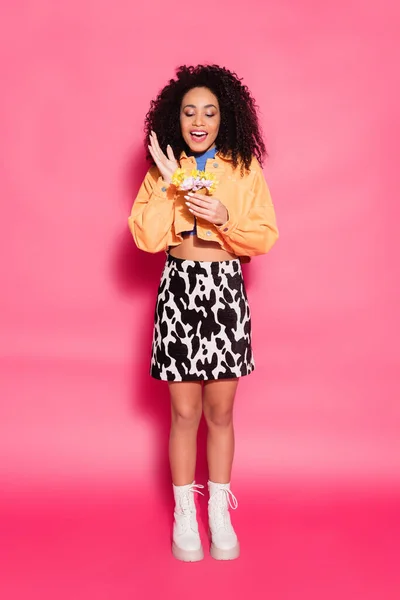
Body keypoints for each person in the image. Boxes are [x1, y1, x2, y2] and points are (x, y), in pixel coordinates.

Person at [128, 64, 279, 562]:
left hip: (225, 290)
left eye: (210, 112)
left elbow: (264, 236)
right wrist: (173, 186)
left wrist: (225, 218)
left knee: (220, 412)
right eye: (190, 111)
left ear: (224, 118)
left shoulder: (242, 167)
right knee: (183, 413)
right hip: (179, 292)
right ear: (177, 117)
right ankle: (184, 516)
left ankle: (218, 510)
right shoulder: (161, 170)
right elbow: (145, 238)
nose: (199, 120)